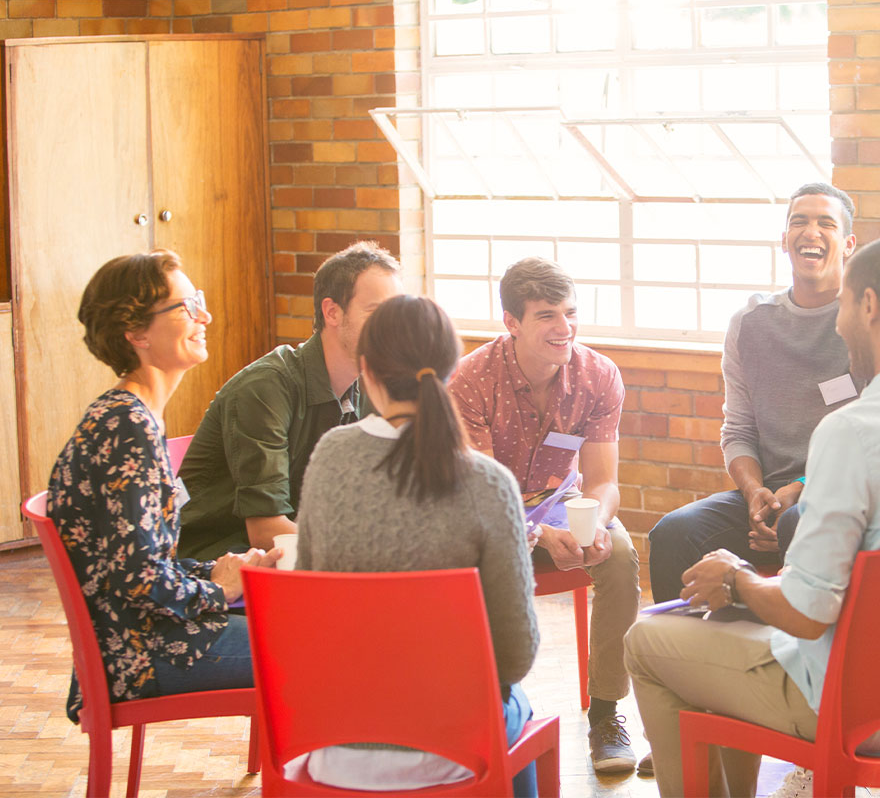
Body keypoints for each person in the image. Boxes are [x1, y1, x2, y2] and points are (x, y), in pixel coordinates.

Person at [623, 234, 880, 798]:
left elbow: (808, 615)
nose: (839, 324)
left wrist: (736, 578)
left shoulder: (852, 431)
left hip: (851, 706)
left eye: (842, 305)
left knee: (647, 642)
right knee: (724, 631)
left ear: (868, 305)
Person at [292, 295, 539, 794]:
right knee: (522, 707)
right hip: (453, 751)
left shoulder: (330, 458)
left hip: (336, 746)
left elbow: (308, 611)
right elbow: (514, 658)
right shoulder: (488, 483)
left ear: (366, 370)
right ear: (452, 369)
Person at [47, 250, 280, 723]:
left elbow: (144, 562)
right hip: (142, 653)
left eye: (199, 300)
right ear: (136, 334)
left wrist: (221, 569)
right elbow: (139, 580)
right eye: (185, 306)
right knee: (321, 649)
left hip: (150, 636)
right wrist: (218, 589)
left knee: (306, 624)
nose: (204, 315)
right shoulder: (125, 426)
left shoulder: (133, 416)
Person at [448, 257, 643, 773]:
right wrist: (537, 533)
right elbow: (482, 497)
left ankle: (605, 714)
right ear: (511, 322)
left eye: (571, 313)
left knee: (620, 557)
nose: (566, 328)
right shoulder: (470, 380)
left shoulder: (599, 375)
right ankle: (491, 710)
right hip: (489, 513)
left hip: (566, 504)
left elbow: (603, 481)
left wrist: (596, 523)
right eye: (547, 316)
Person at [646, 183, 862, 605]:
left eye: (826, 223)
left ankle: (793, 663)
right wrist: (754, 495)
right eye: (798, 222)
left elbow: (871, 441)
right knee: (673, 533)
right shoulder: (750, 324)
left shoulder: (866, 322)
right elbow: (739, 429)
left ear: (848, 243)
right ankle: (684, 660)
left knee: (797, 524)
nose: (810, 232)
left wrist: (800, 487)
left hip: (838, 496)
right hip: (767, 496)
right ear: (784, 241)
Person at [177, 241, 403, 560]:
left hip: (293, 559)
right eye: (377, 312)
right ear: (332, 312)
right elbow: (267, 530)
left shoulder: (366, 386)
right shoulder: (265, 389)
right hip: (218, 562)